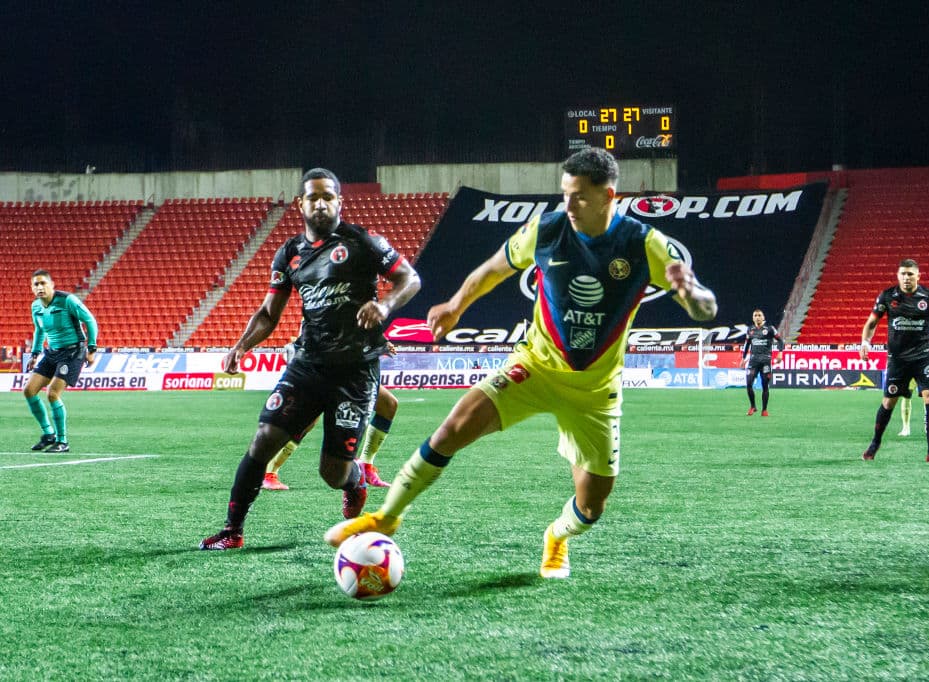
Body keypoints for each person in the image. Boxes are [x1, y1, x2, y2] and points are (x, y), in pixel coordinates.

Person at [324, 147, 717, 579]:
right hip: (534, 365)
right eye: (565, 193)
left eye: (580, 196)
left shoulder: (643, 244)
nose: (568, 205)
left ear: (610, 197)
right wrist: (456, 305)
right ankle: (388, 516)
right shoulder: (546, 231)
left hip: (593, 390)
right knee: (453, 428)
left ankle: (557, 536)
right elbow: (493, 269)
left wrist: (690, 293)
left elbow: (705, 309)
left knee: (592, 505)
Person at [199, 168, 421, 550]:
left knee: (332, 472)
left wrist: (383, 306)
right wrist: (240, 346)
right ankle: (232, 530)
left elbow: (410, 279)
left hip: (355, 371)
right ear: (300, 204)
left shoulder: (363, 242)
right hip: (308, 366)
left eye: (328, 196)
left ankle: (354, 482)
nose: (321, 203)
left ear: (339, 202)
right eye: (313, 197)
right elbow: (270, 313)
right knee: (264, 439)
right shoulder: (289, 254)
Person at [262, 341, 400, 490]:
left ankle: (366, 465)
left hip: (353, 370)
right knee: (309, 420)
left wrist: (380, 343)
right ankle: (269, 473)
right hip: (326, 366)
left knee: (388, 405)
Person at [859, 259, 929, 463]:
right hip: (898, 360)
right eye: (903, 273)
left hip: (923, 357)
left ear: (918, 276)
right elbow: (872, 322)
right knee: (889, 401)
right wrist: (865, 342)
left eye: (910, 274)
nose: (906, 277)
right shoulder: (887, 296)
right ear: (898, 275)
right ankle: (875, 443)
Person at [23, 270, 99, 453]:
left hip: (73, 353)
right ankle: (48, 434)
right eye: (36, 284)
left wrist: (92, 348)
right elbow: (39, 331)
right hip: (52, 353)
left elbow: (90, 320)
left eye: (43, 283)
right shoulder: (36, 307)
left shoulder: (68, 301)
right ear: (32, 288)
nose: (40, 287)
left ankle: (62, 441)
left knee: (52, 394)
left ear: (52, 285)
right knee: (29, 391)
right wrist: (34, 354)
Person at [897, 318, 929, 437]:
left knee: (928, 394)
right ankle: (905, 427)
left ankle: (928, 425)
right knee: (906, 395)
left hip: (925, 360)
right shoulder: (903, 317)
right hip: (907, 361)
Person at [740, 308, 784, 416]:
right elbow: (747, 345)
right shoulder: (750, 330)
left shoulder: (770, 329)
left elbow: (780, 340)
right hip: (753, 361)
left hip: (765, 362)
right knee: (749, 383)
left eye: (759, 315)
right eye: (755, 315)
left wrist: (780, 353)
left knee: (765, 386)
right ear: (753, 318)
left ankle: (764, 410)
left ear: (763, 317)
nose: (757, 317)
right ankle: (753, 406)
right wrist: (743, 358)